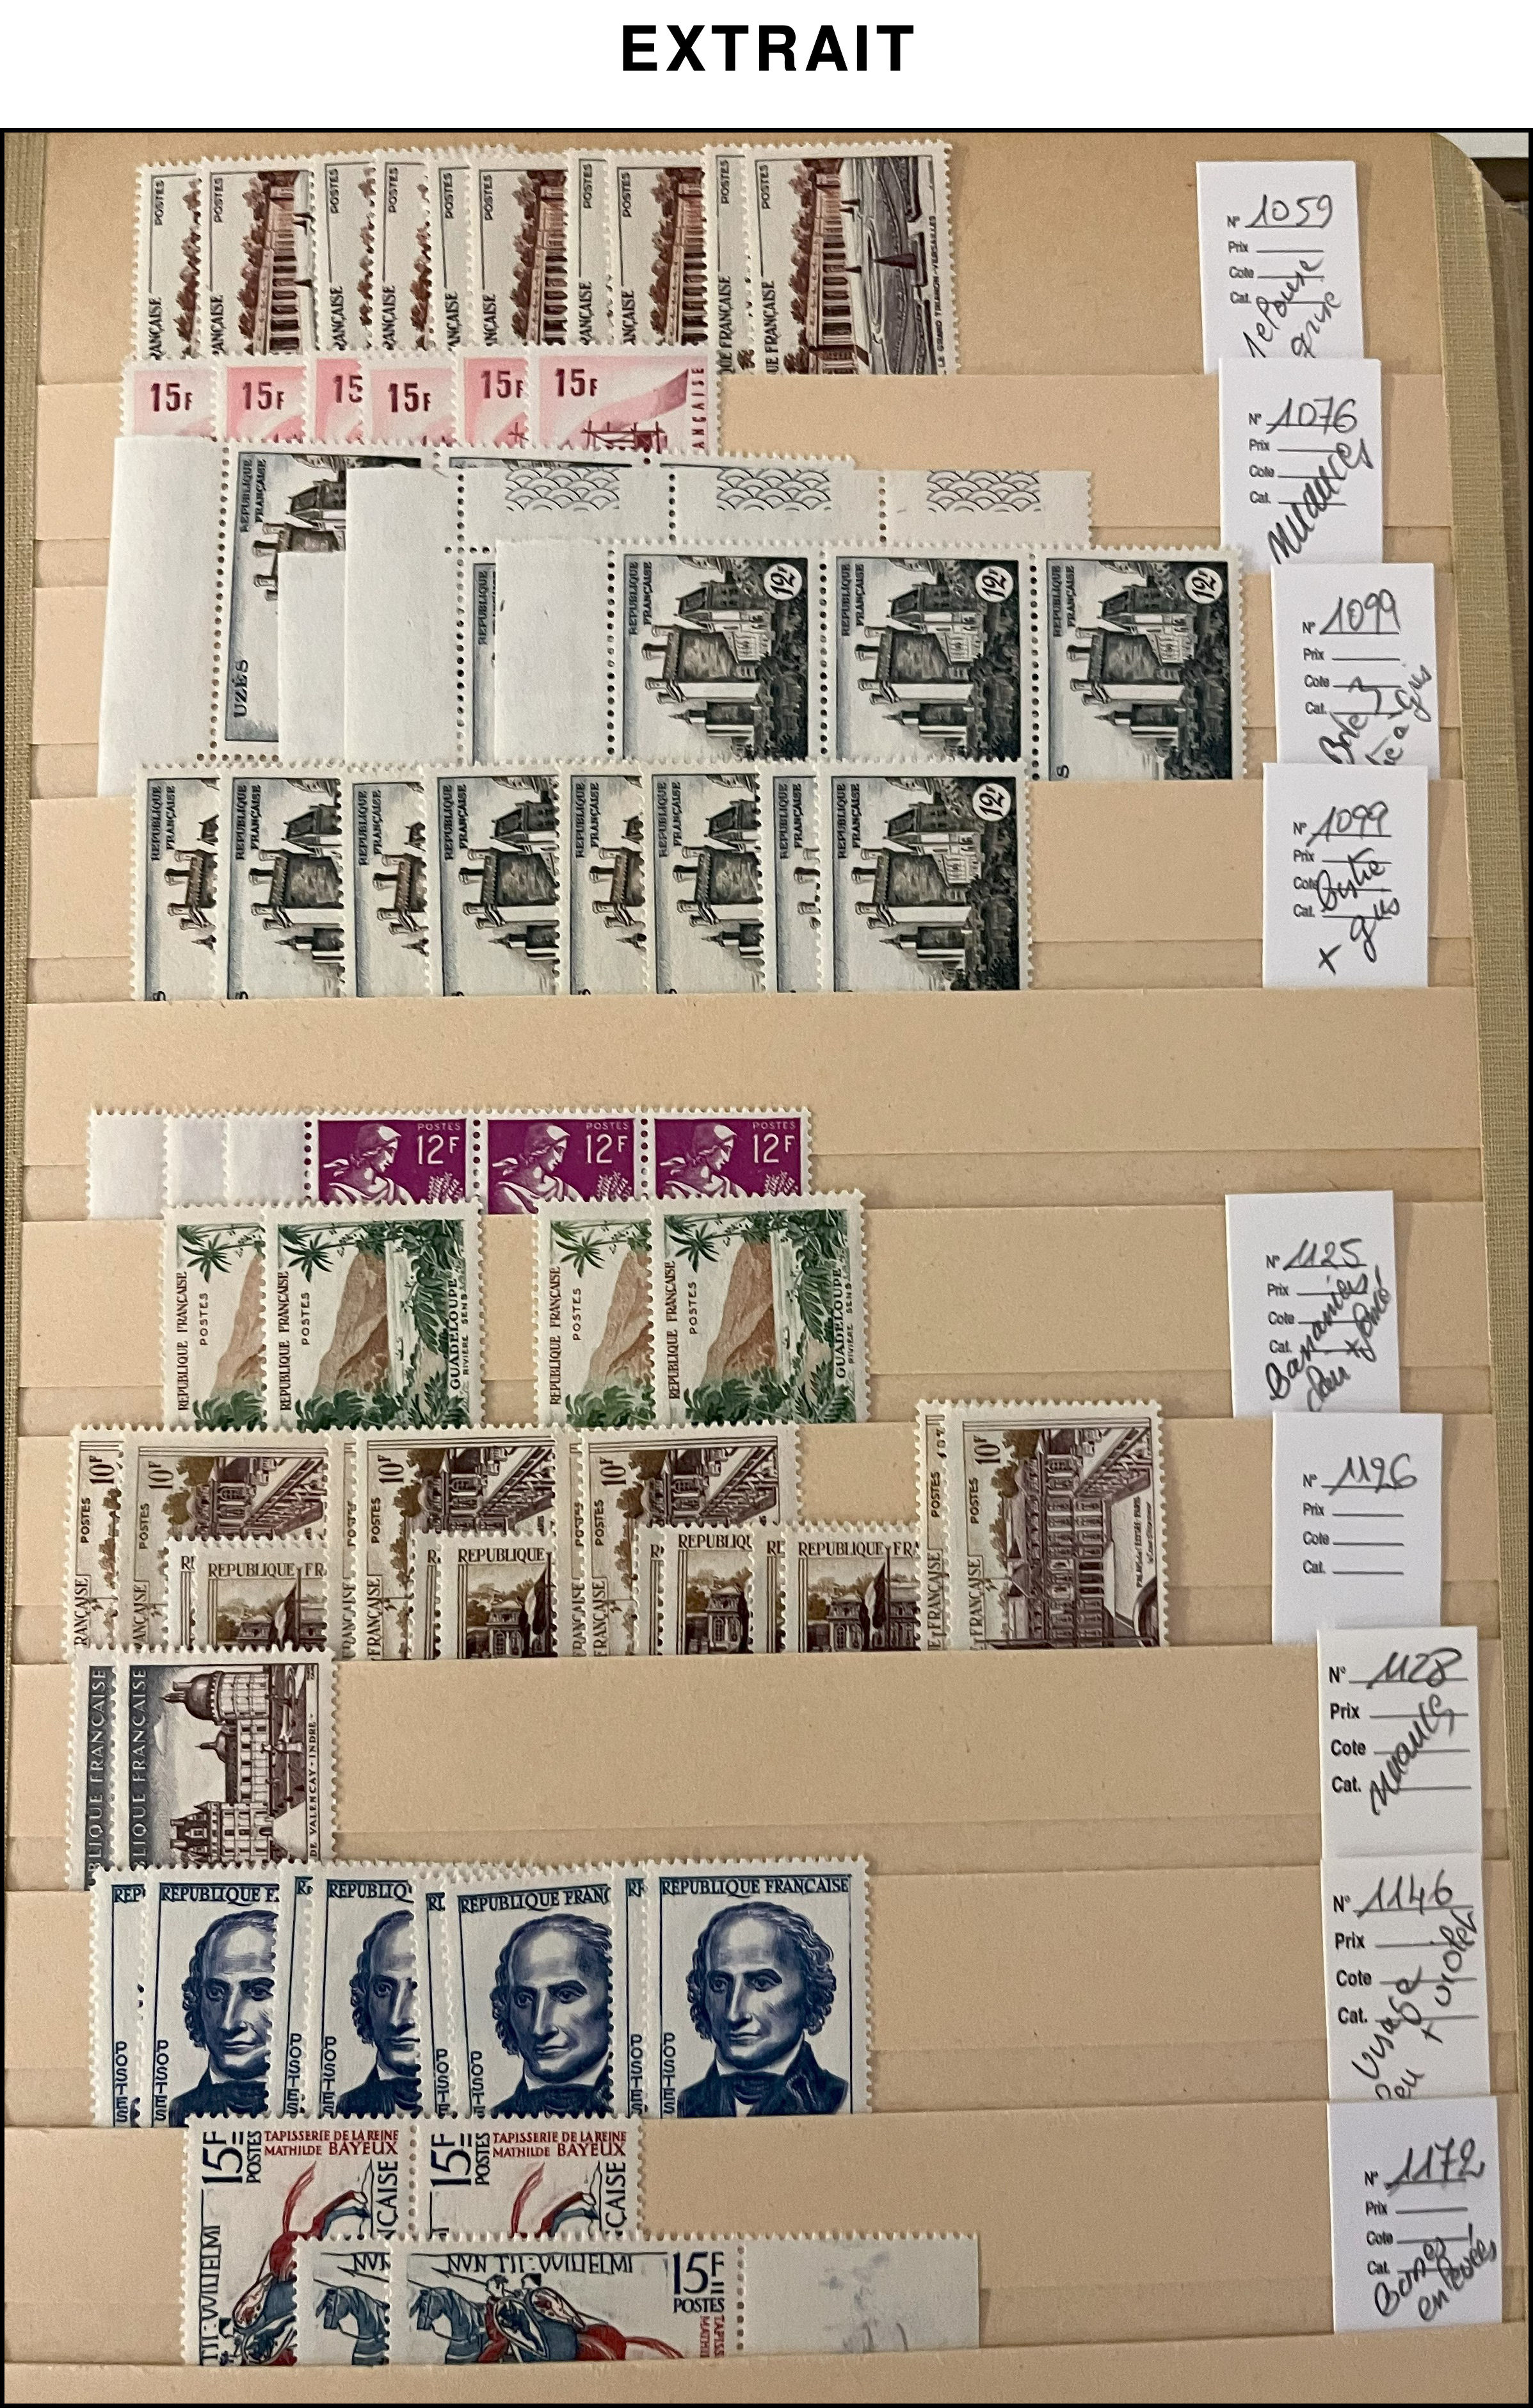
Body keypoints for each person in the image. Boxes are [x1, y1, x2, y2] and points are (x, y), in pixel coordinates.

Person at [677, 1900, 847, 2117]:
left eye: (762, 1983)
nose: (733, 2014)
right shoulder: (686, 2102)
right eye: (719, 1984)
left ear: (810, 1990)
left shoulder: (836, 2097)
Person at [489, 1913, 611, 2117]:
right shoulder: (494, 2116)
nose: (539, 2028)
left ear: (612, 1997)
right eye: (524, 1999)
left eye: (566, 1995)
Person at [167, 1907, 277, 2126]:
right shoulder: (177, 2111)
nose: (228, 2023)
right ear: (197, 1998)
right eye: (216, 1993)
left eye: (258, 1992)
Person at [337, 1909, 420, 2117]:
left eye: (417, 1987)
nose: (396, 2019)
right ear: (364, 1997)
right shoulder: (345, 2108)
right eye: (384, 1989)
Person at [488, 1123, 582, 1213]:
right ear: (542, 1146)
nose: (560, 1159)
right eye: (558, 1150)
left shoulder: (562, 1189)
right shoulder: (506, 1191)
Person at [324, 1123, 414, 1206]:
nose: (391, 1160)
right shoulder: (338, 1193)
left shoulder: (395, 1191)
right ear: (374, 1148)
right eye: (390, 1151)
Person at [656, 1122, 744, 1200]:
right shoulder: (674, 1189)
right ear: (710, 1147)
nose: (727, 1159)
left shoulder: (729, 1187)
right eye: (725, 1150)